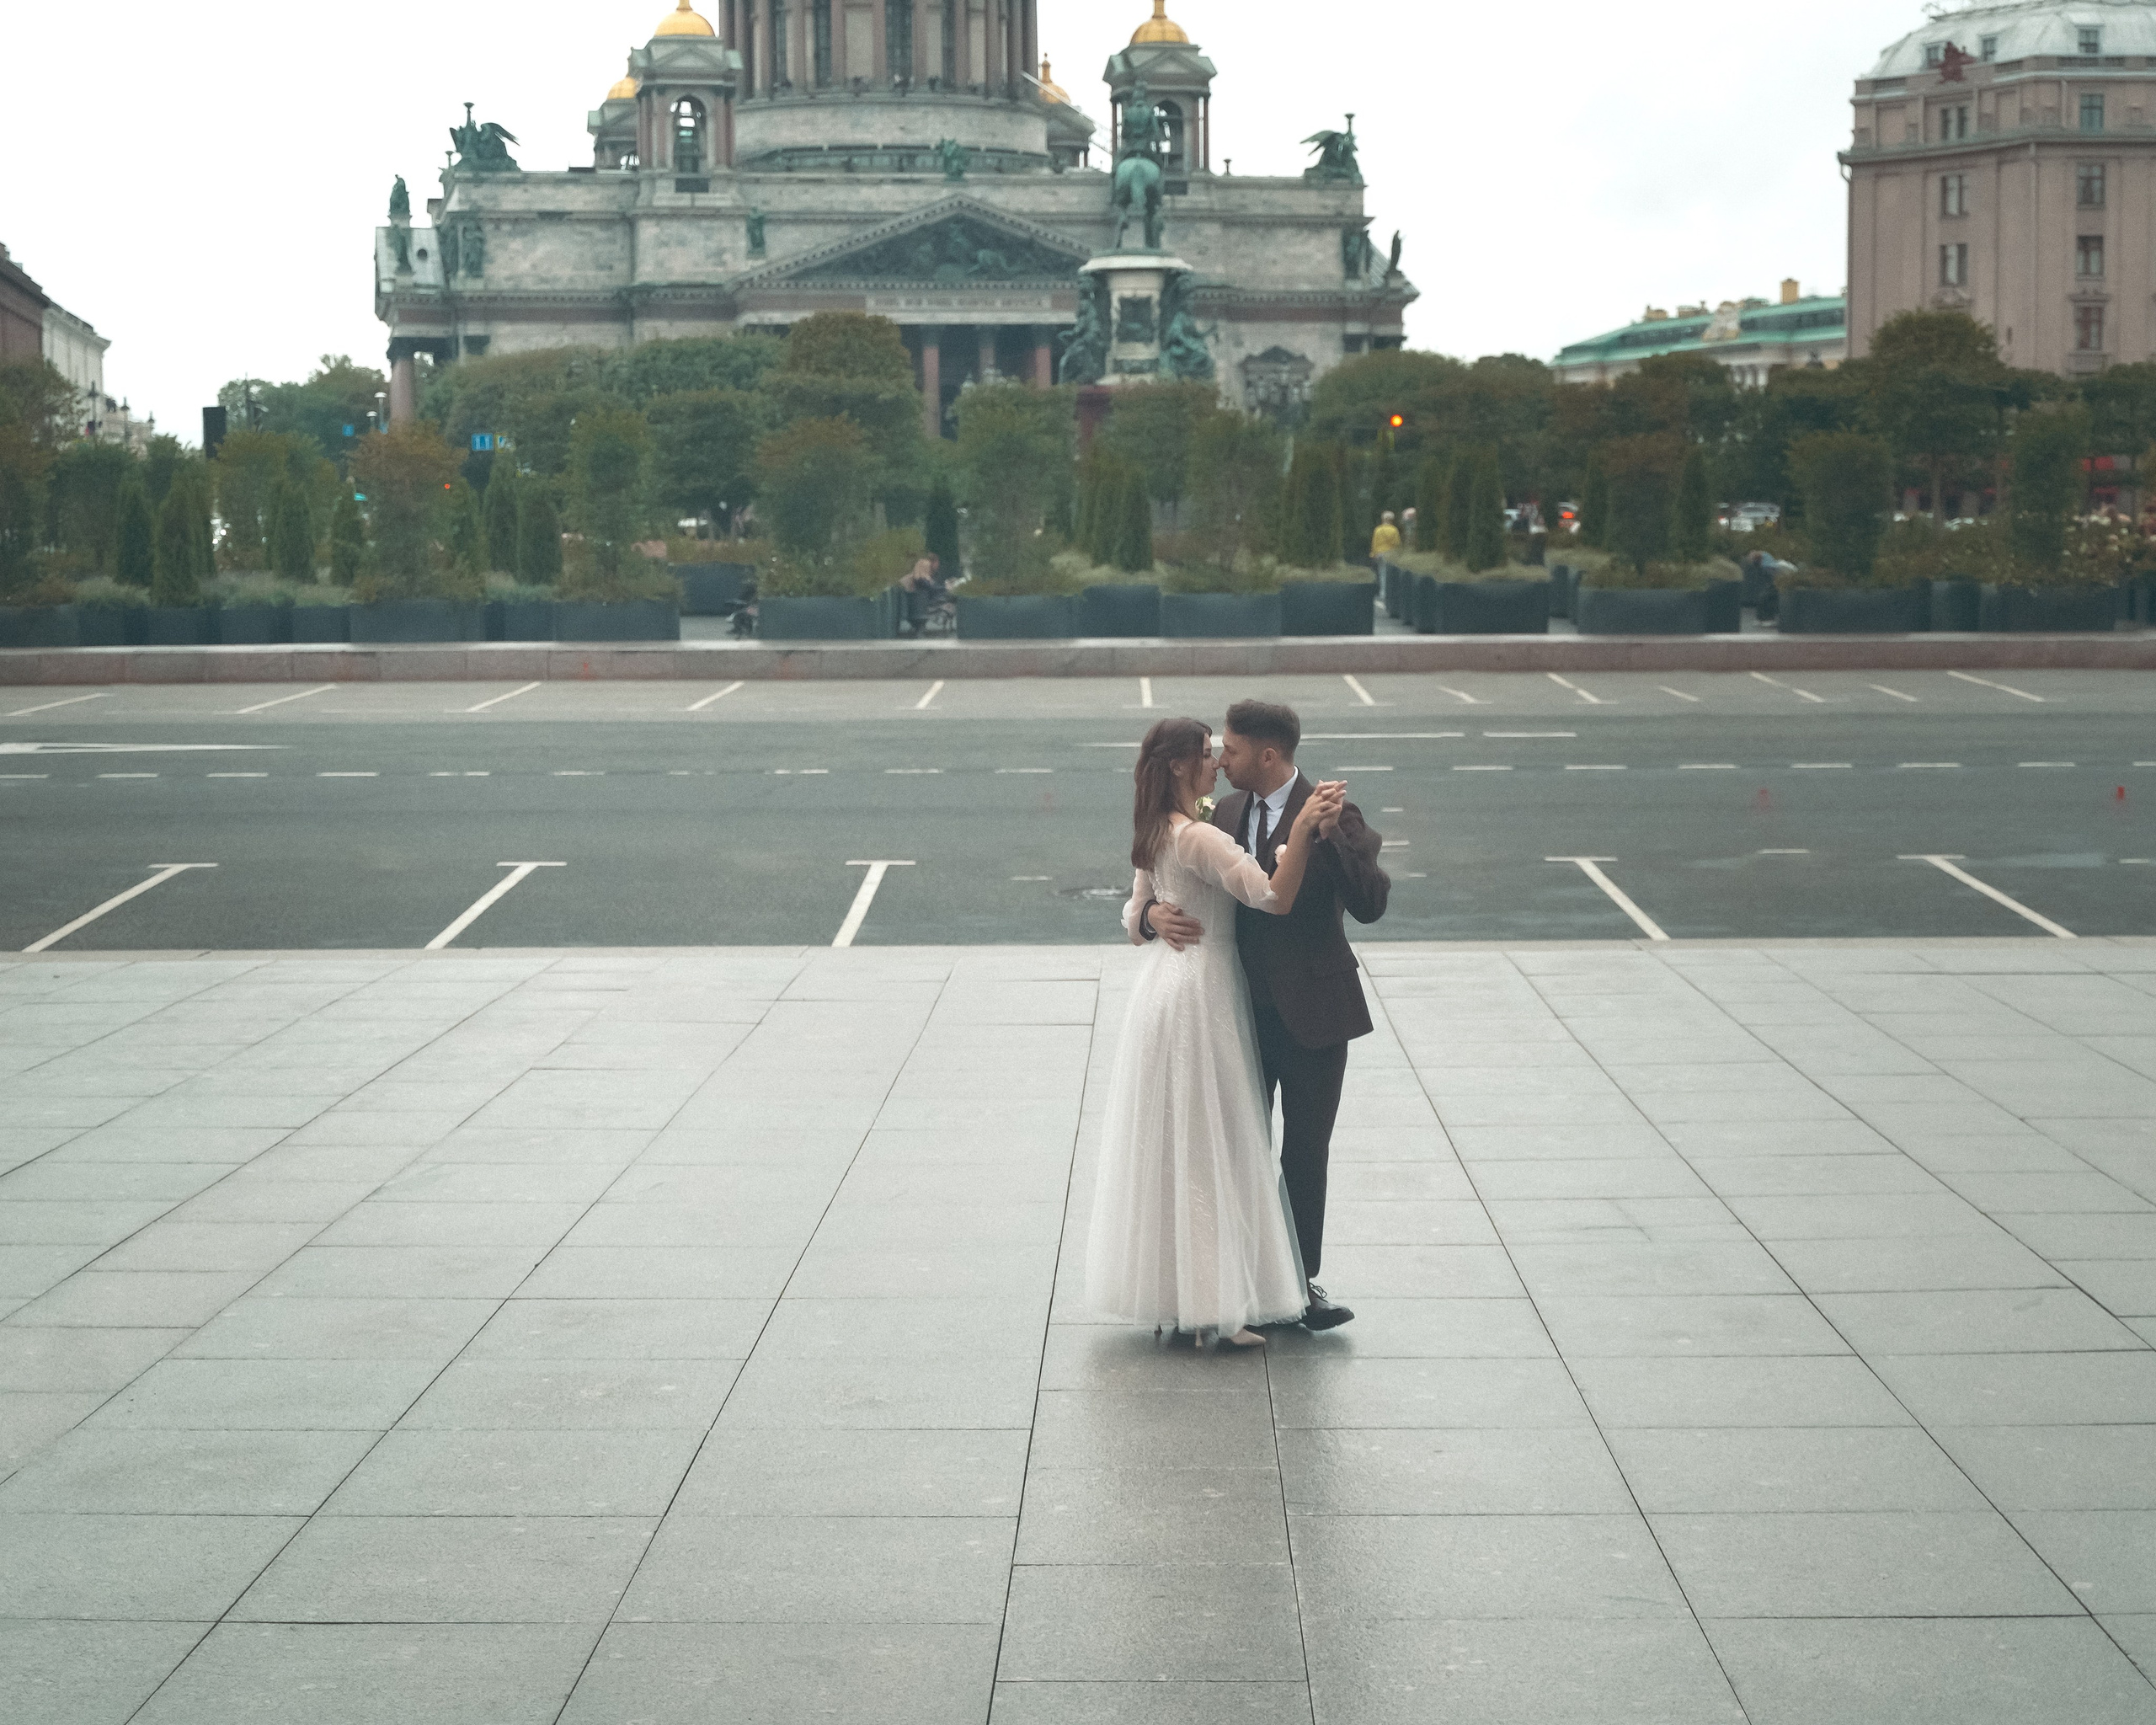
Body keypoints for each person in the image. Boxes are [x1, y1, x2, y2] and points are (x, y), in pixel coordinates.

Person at [1091, 719, 1345, 1348]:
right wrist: (1303, 836)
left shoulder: (1156, 829)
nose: (1216, 766)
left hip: (1164, 992)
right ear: (1179, 767)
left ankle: (1182, 1296)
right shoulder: (1201, 834)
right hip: (1203, 994)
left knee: (1177, 1147)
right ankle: (1216, 1311)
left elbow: (1136, 906)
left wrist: (1149, 911)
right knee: (1212, 1147)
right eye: (1207, 756)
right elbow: (1271, 898)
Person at [1139, 700, 1389, 1330]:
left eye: (1233, 750)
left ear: (1268, 755)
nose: (1221, 760)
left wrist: (1329, 837)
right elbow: (1161, 865)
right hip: (1231, 1010)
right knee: (1233, 1149)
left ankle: (1299, 1288)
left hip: (1315, 1012)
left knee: (1304, 1151)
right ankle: (1231, 1284)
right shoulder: (1217, 812)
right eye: (1216, 750)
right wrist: (1147, 917)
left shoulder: (1333, 814)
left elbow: (1372, 903)